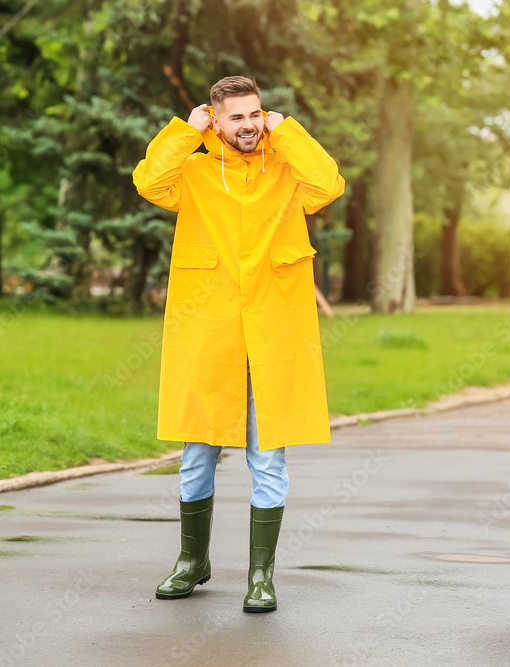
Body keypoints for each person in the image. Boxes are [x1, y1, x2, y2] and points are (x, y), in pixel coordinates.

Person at [132, 75, 345, 613]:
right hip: (210, 331)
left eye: (256, 114)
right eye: (236, 117)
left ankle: (261, 576)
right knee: (197, 452)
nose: (248, 125)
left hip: (274, 330)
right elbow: (148, 182)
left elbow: (329, 185)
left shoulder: (287, 169)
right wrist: (184, 131)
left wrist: (287, 132)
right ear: (215, 117)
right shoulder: (195, 170)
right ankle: (191, 562)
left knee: (268, 458)